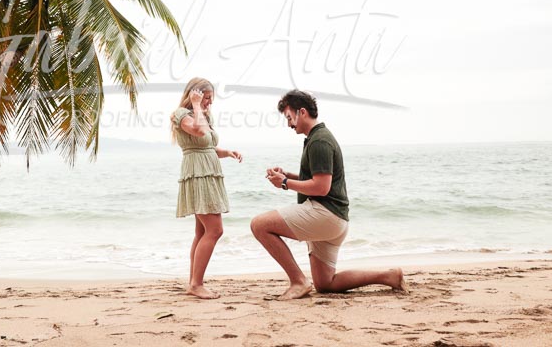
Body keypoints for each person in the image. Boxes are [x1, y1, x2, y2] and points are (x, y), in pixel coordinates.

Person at [250, 89, 405, 300]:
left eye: (289, 117)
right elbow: (318, 179)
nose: (288, 124)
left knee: (259, 225)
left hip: (325, 214)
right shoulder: (317, 138)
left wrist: (285, 183)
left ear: (302, 112)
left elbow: (321, 187)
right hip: (335, 218)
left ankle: (298, 281)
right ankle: (389, 276)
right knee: (325, 283)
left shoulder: (319, 141)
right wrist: (288, 176)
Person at [172, 78, 243, 299]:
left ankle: (193, 282)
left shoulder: (204, 115)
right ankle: (196, 284)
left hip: (208, 173)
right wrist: (195, 104)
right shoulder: (181, 114)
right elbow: (199, 132)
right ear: (195, 94)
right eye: (207, 98)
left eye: (211, 99)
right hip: (197, 174)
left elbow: (208, 146)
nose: (209, 103)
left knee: (202, 232)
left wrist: (227, 152)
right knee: (215, 230)